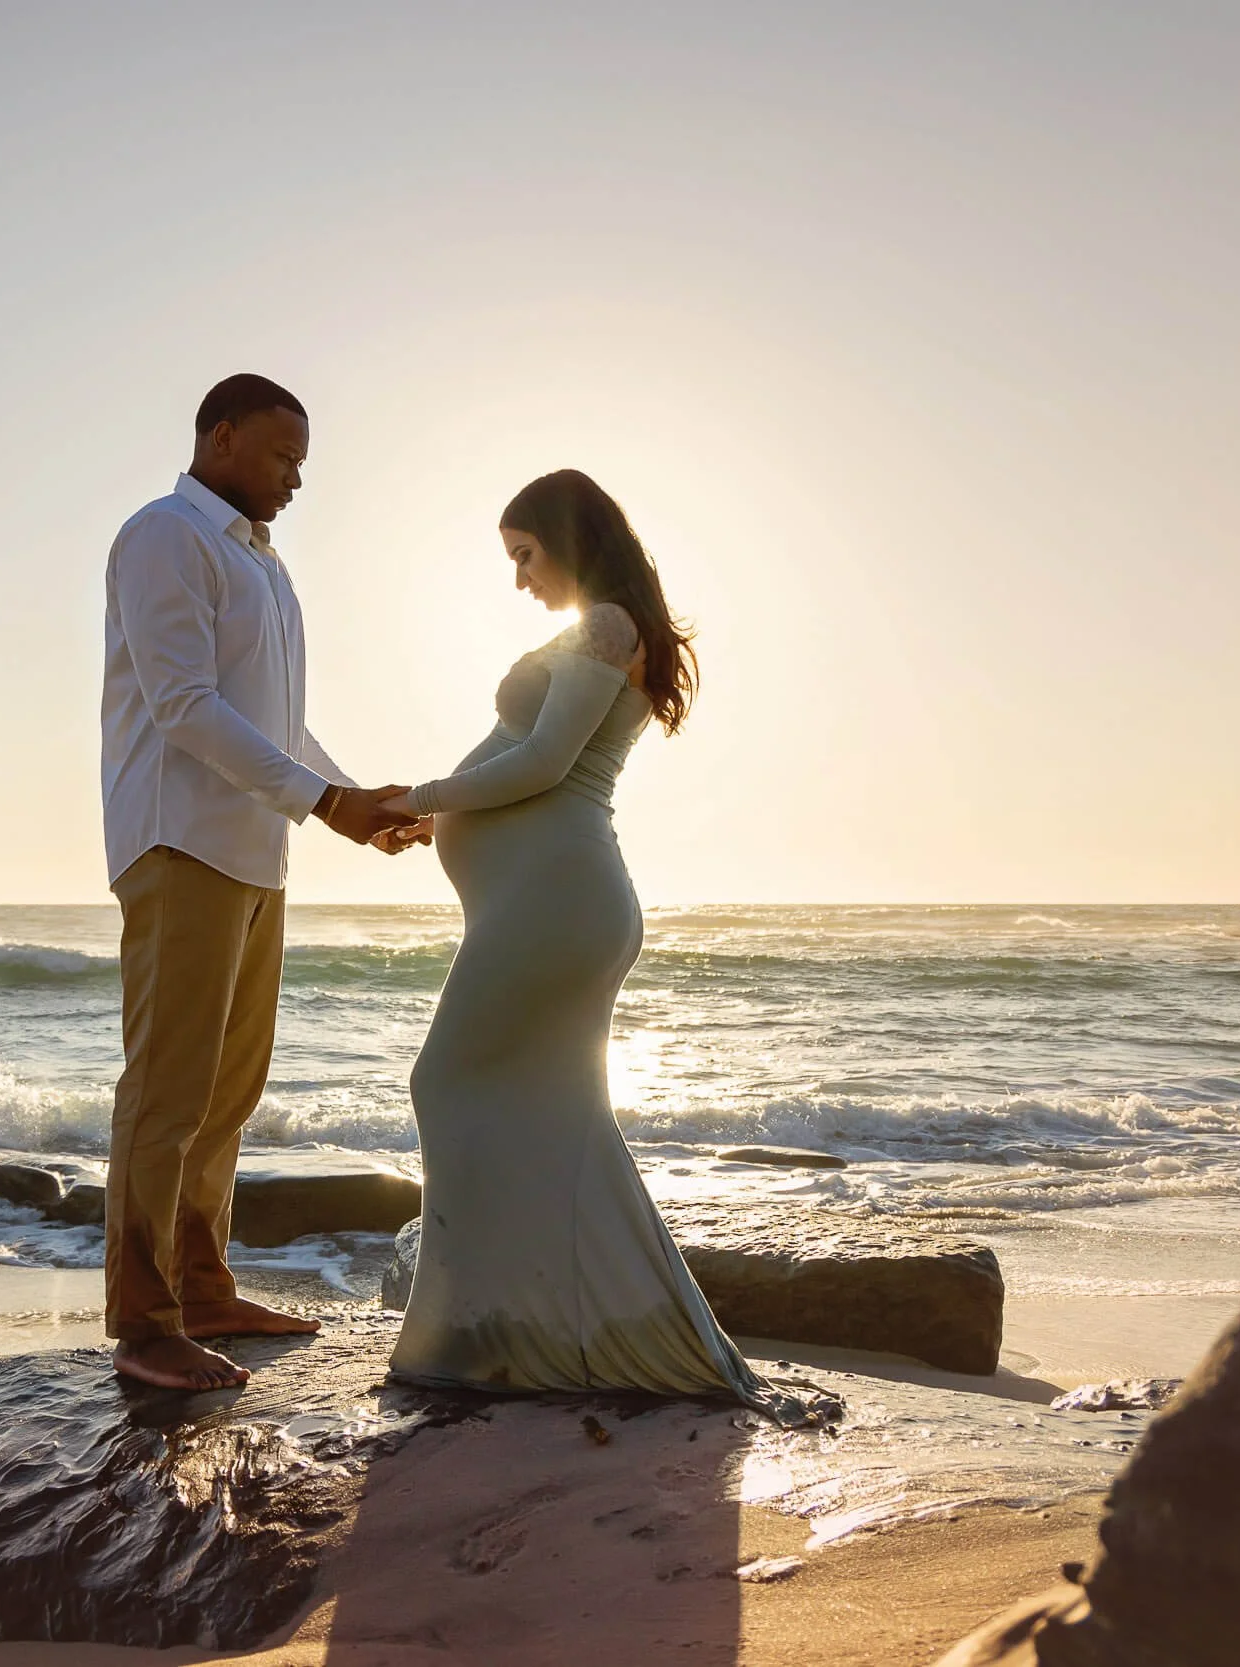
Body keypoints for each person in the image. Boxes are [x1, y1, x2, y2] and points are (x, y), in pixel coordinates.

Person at [379, 469, 800, 1418]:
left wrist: (422, 797)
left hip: (557, 901)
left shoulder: (607, 626)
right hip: (543, 900)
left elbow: (542, 762)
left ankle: (482, 1332)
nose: (519, 578)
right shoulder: (599, 631)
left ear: (569, 538)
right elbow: (524, 767)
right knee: (553, 1112)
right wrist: (435, 814)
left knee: (446, 1081)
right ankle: (539, 1334)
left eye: (525, 554)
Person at [100, 374, 417, 1391]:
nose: (293, 480)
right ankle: (144, 1322)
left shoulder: (264, 567)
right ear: (221, 436)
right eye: (282, 458)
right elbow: (186, 705)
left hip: (254, 849)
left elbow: (272, 725)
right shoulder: (164, 537)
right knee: (168, 1090)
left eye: (302, 464)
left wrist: (345, 799)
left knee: (229, 1093)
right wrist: (324, 803)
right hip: (179, 838)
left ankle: (202, 1287)